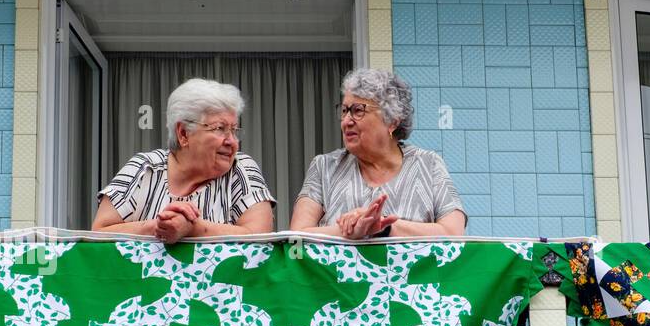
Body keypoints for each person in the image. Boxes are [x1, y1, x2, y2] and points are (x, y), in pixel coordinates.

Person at [290, 68, 466, 239]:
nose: (346, 121)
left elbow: (453, 232)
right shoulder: (324, 168)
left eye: (358, 110)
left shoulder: (428, 164)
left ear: (392, 122)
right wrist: (350, 231)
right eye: (344, 111)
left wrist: (385, 227)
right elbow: (297, 234)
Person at [92, 78, 274, 240]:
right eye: (220, 128)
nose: (232, 141)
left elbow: (261, 237)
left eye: (234, 130)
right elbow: (99, 232)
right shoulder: (144, 169)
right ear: (183, 133)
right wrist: (157, 227)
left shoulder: (240, 169)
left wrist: (193, 228)